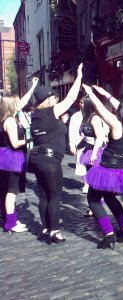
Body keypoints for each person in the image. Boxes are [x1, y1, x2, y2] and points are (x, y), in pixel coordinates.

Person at [82, 84, 123, 250]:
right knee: (110, 198)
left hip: (107, 168)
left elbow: (99, 108)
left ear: (122, 111)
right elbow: (122, 107)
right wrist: (105, 93)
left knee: (93, 200)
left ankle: (109, 234)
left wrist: (91, 93)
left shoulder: (116, 124)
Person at [29, 65, 82, 244]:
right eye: (52, 97)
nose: (55, 98)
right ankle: (54, 231)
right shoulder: (52, 111)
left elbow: (48, 132)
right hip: (50, 160)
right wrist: (79, 76)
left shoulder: (35, 115)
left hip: (37, 158)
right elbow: (72, 97)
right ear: (48, 100)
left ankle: (45, 227)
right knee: (55, 196)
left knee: (43, 194)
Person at [0, 77, 39, 232]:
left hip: (9, 158)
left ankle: (11, 220)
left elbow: (23, 101)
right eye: (16, 102)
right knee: (11, 192)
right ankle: (11, 223)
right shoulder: (9, 121)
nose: (20, 104)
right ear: (11, 105)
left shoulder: (10, 117)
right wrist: (31, 139)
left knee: (9, 192)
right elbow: (15, 143)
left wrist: (33, 86)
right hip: (11, 158)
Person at [68, 96, 87, 193]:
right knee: (81, 163)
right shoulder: (75, 116)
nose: (81, 104)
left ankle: (90, 183)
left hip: (91, 143)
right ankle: (86, 183)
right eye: (80, 102)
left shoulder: (94, 115)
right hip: (79, 143)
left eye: (83, 103)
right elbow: (71, 131)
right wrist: (72, 145)